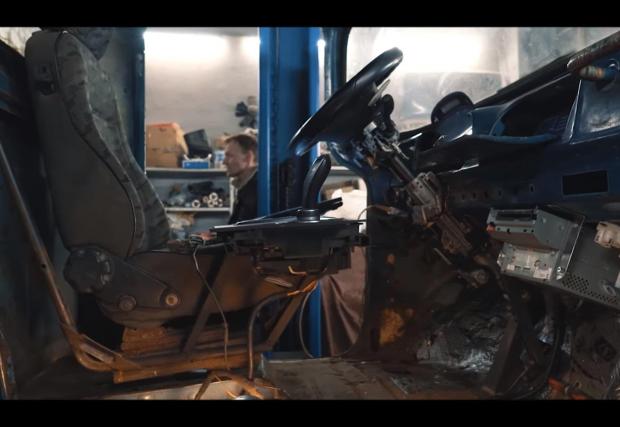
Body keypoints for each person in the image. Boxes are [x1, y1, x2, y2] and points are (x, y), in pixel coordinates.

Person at [222, 133, 258, 224]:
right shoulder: (246, 188)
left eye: (229, 156)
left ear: (248, 157)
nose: (224, 162)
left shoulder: (257, 190)